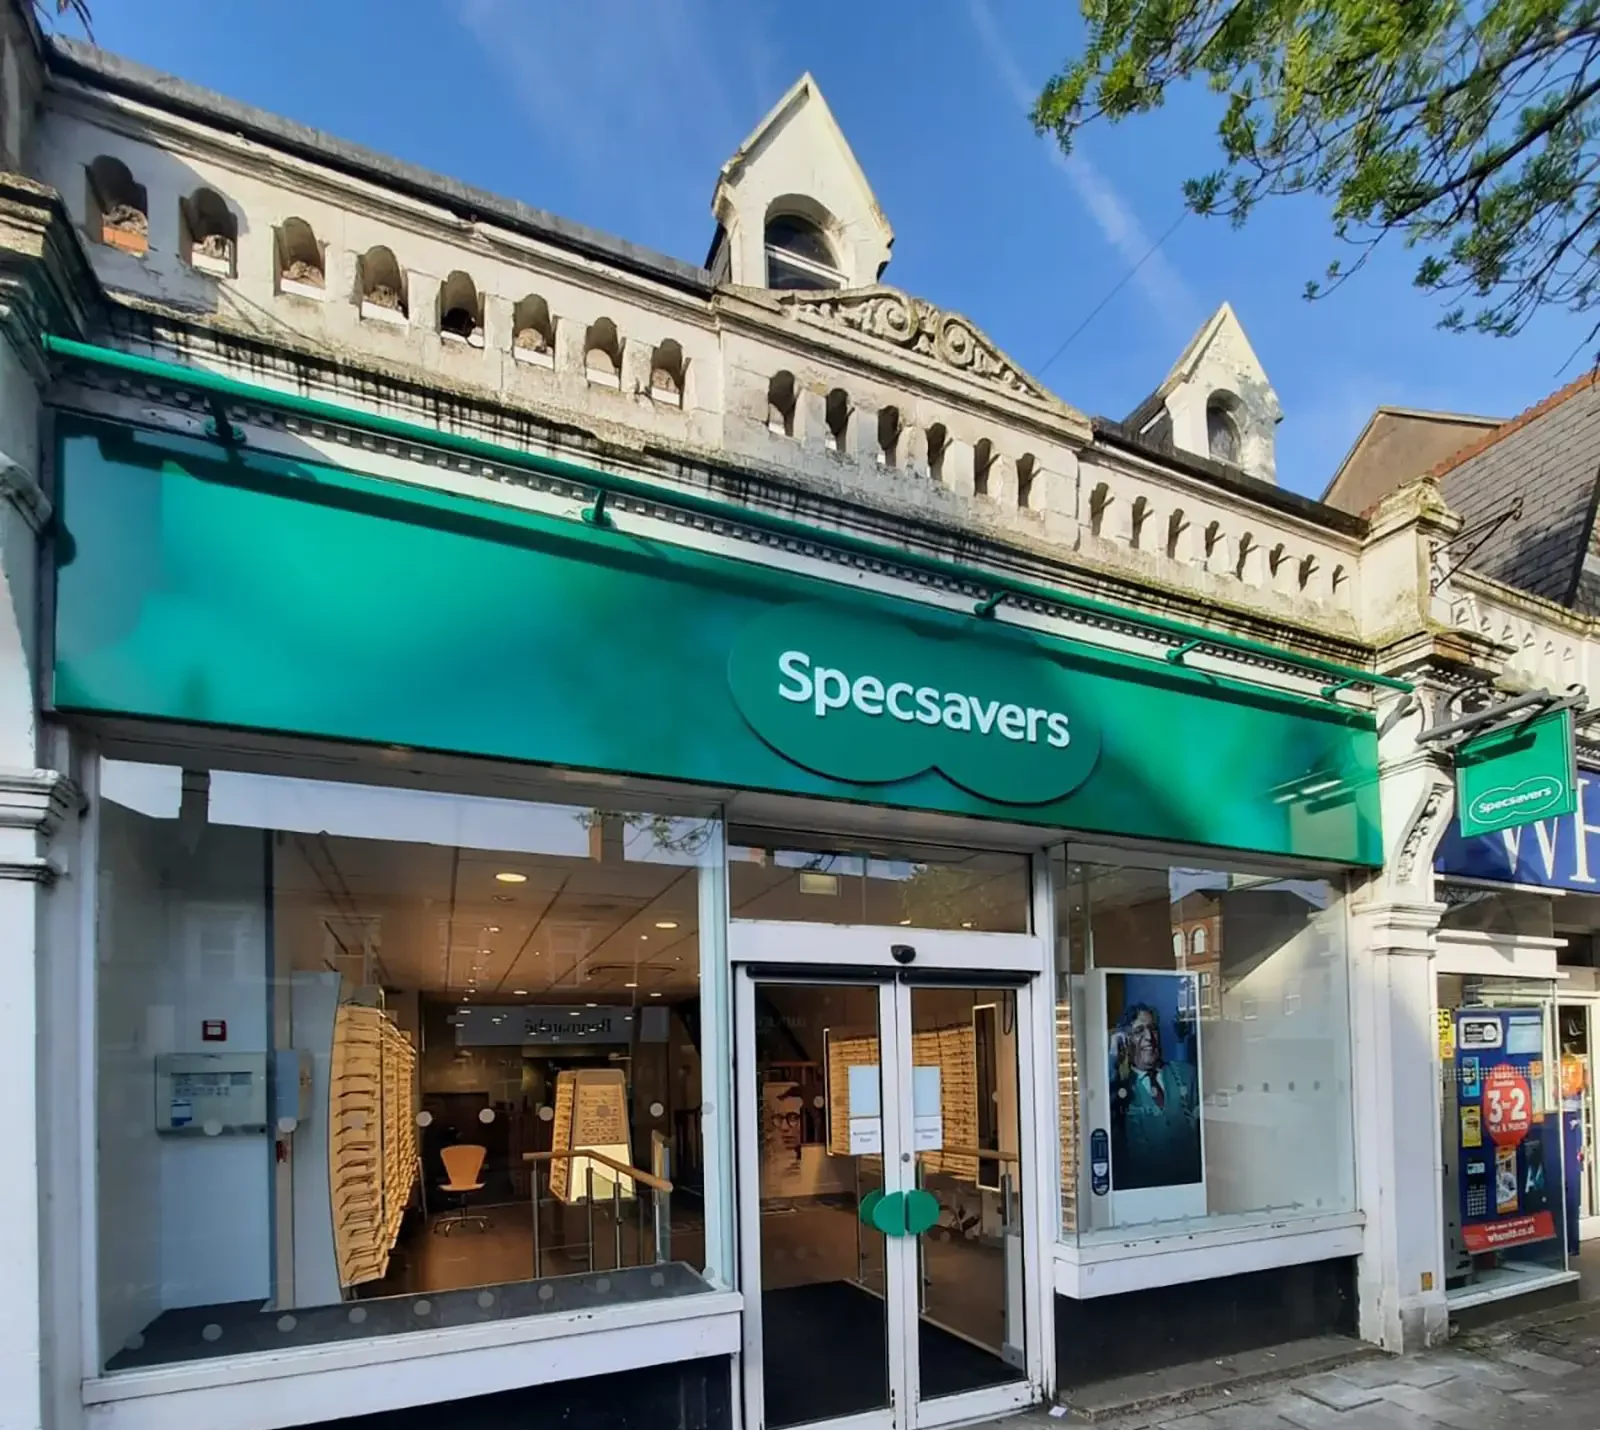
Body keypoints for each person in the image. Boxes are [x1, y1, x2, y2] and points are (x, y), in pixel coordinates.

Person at [1110, 1001, 1201, 1191]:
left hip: (1190, 1188)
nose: (1149, 1037)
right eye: (1139, 1031)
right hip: (1144, 1191)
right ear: (1126, 1041)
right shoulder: (1121, 1088)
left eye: (1153, 1029)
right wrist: (1114, 1058)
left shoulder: (1186, 1074)